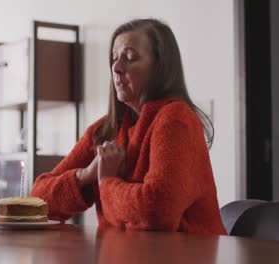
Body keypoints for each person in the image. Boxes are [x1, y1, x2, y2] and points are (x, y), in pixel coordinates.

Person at [30, 18, 226, 235]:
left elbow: (157, 211)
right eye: (114, 59)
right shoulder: (105, 130)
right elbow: (37, 202)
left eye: (130, 58)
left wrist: (107, 182)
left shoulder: (176, 119)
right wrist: (86, 175)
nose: (116, 67)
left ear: (159, 67)